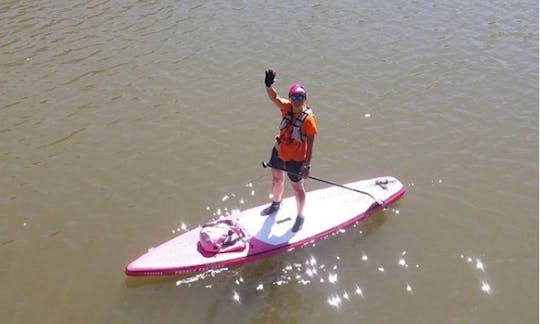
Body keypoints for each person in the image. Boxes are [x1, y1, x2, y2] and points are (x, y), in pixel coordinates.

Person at [261, 69, 318, 232]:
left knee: (297, 188)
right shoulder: (287, 107)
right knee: (277, 179)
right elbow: (274, 98)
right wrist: (268, 85)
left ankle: (300, 216)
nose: (297, 100)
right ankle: (275, 203)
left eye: (300, 97)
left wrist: (306, 166)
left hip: (296, 160)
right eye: (294, 97)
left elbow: (311, 144)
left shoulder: (309, 120)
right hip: (279, 151)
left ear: (305, 98)